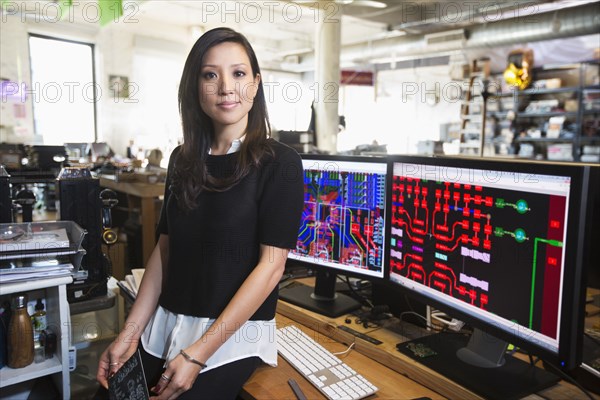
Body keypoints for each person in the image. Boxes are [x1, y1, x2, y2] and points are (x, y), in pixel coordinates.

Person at [96, 27, 304, 399]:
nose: (226, 87)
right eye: (211, 75)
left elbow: (271, 267)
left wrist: (197, 355)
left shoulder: (280, 163)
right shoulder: (182, 159)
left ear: (255, 84)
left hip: (231, 336)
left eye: (238, 74)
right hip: (164, 324)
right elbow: (164, 251)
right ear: (195, 87)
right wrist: (129, 335)